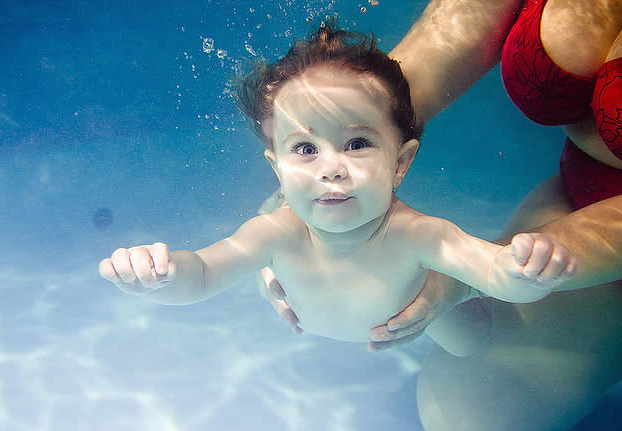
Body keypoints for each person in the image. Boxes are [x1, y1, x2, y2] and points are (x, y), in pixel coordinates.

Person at [98, 26, 577, 352]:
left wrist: (525, 271)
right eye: (305, 149)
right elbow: (201, 273)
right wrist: (158, 276)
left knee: (473, 344)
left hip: (425, 315)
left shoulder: (419, 234)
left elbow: (491, 272)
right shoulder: (275, 232)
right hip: (337, 317)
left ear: (401, 163)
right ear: (277, 167)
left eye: (356, 143)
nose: (332, 169)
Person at [260, 1, 622, 430]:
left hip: (602, 244)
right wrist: (295, 207)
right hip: (576, 194)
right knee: (466, 415)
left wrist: (464, 277)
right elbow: (433, 50)